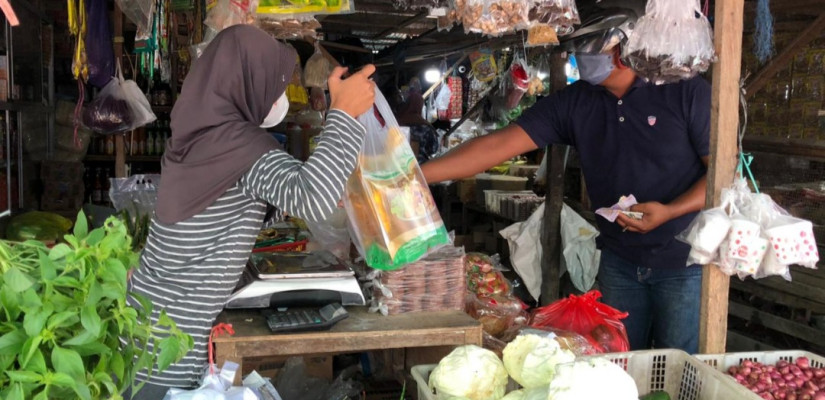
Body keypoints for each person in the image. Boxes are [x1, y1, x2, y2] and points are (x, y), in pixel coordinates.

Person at [420, 4, 710, 354]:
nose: (582, 58)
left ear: (625, 48)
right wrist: (416, 176)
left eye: (592, 48)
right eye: (578, 49)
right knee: (618, 362)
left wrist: (670, 211)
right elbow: (497, 145)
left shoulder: (686, 92)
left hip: (684, 263)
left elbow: (723, 174)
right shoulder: (575, 102)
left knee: (679, 364)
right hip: (618, 260)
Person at [124, 25, 376, 398]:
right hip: (168, 348)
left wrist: (314, 187)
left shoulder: (201, 135)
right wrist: (344, 113)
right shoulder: (240, 144)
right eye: (276, 86)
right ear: (247, 84)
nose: (279, 97)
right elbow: (314, 200)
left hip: (146, 327)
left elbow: (230, 207)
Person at [396, 77, 440, 163]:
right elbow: (433, 149)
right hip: (421, 166)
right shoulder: (426, 127)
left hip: (400, 166)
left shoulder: (397, 124)